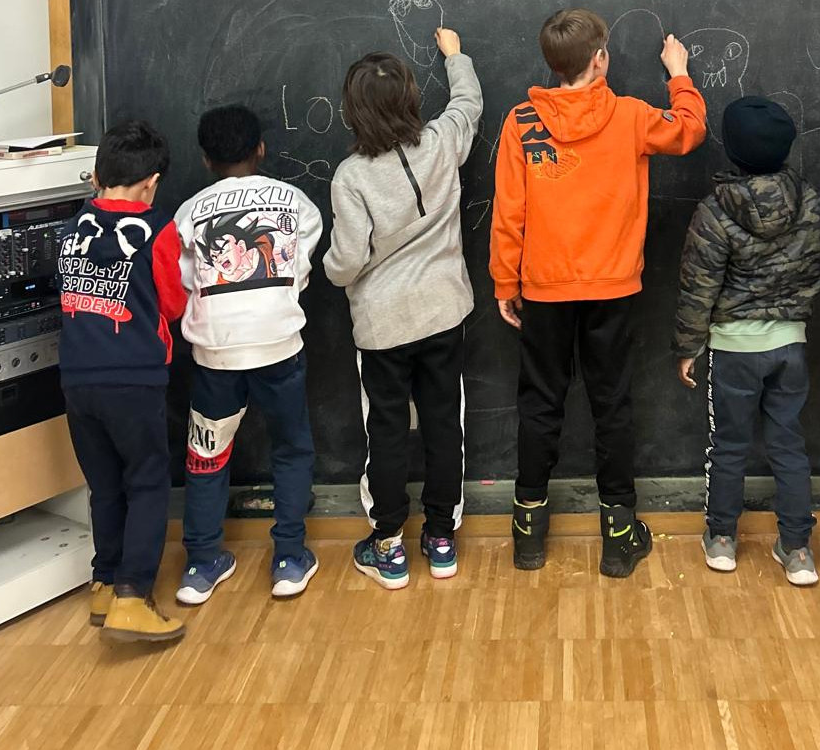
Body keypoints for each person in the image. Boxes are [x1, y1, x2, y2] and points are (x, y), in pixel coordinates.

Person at [490, 8, 706, 577]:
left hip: (544, 288)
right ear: (601, 59)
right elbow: (689, 130)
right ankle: (618, 536)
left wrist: (505, 281)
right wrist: (679, 74)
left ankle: (528, 534)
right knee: (611, 405)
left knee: (540, 403)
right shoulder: (631, 116)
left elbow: (509, 212)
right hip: (612, 287)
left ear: (551, 63)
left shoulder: (522, 121)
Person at [324, 28, 482, 589]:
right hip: (443, 313)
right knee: (443, 423)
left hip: (384, 325)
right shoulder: (440, 143)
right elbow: (468, 104)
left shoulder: (352, 177)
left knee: (387, 429)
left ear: (353, 112)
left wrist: (333, 271)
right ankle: (441, 537)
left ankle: (388, 543)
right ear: (411, 98)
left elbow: (346, 260)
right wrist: (455, 57)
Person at [672, 96, 820, 586]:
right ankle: (798, 549)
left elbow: (698, 287)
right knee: (788, 444)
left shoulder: (714, 211)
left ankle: (722, 538)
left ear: (732, 149)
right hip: (790, 345)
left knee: (728, 444)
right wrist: (795, 299)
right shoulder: (810, 200)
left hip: (733, 349)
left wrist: (688, 346)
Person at [173, 104, 323, 604]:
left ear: (205, 159)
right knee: (291, 447)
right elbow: (300, 269)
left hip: (215, 352)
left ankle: (200, 564)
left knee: (207, 454)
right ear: (261, 149)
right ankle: (289, 558)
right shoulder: (296, 202)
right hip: (278, 343)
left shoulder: (189, 212)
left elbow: (184, 281)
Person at [56, 120, 187, 642]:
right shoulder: (158, 230)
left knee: (105, 486)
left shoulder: (72, 228)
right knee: (148, 482)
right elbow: (172, 304)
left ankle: (105, 584)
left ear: (97, 176)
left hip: (77, 379)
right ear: (151, 183)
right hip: (134, 379)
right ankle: (134, 596)